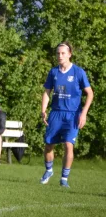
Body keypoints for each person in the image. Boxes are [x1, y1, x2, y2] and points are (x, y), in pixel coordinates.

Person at [40, 41, 93, 188]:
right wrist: (43, 110)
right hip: (55, 113)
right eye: (58, 53)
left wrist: (83, 113)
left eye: (63, 53)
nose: (60, 56)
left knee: (69, 146)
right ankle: (49, 170)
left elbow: (90, 93)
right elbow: (46, 92)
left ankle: (64, 178)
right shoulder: (53, 72)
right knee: (49, 145)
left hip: (72, 115)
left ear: (69, 54)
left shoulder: (78, 72)